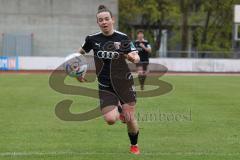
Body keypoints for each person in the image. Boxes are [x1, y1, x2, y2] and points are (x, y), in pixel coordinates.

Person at [78, 5, 140, 155]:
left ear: (112, 20)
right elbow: (80, 53)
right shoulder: (92, 39)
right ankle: (119, 108)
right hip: (105, 85)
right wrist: (78, 68)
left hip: (124, 83)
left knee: (129, 117)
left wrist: (132, 57)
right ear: (98, 23)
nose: (104, 22)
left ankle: (134, 145)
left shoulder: (122, 38)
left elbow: (136, 57)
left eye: (106, 19)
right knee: (111, 120)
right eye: (100, 20)